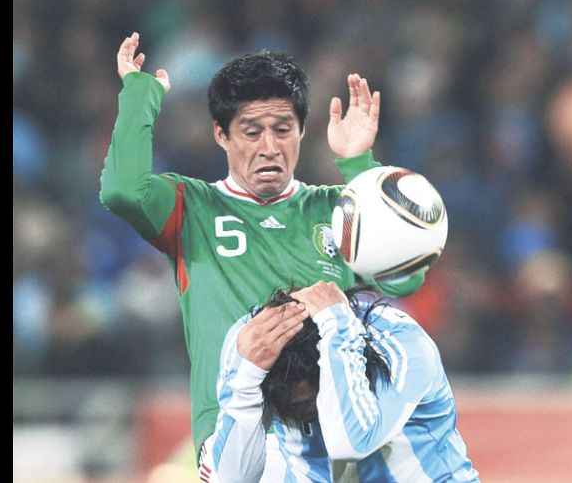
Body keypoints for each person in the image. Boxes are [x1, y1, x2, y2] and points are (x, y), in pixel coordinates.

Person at [99, 32, 426, 470]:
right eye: (251, 132)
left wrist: (358, 166)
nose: (269, 147)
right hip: (243, 441)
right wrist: (142, 93)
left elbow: (405, 277)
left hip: (332, 436)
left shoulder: (335, 209)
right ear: (221, 134)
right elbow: (122, 191)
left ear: (303, 131)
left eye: (282, 130)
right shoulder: (191, 207)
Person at [202, 280, 480, 482]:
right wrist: (248, 377)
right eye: (290, 413)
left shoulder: (403, 346)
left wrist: (339, 330)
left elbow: (349, 445)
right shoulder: (254, 341)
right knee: (216, 460)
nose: (302, 420)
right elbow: (228, 479)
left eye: (309, 410)